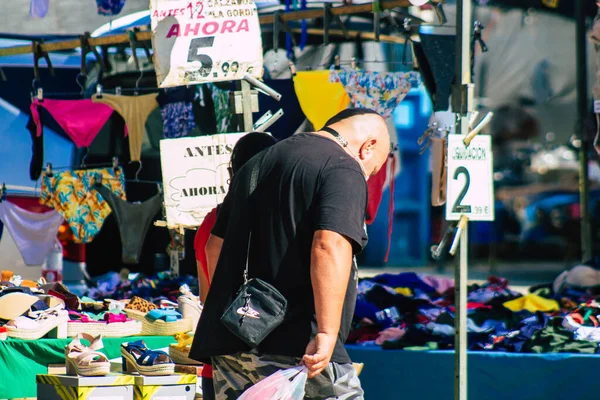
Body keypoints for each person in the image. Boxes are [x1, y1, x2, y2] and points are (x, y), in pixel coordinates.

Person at [190, 108, 391, 399]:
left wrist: (235, 311)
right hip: (297, 344)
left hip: (232, 346)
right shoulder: (342, 167)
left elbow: (214, 246)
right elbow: (329, 245)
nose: (367, 175)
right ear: (367, 146)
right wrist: (326, 333)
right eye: (372, 169)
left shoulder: (259, 162)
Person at [193, 132, 278, 400]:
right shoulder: (282, 220)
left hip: (221, 355)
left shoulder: (211, 221)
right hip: (270, 359)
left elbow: (207, 297)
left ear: (233, 171)